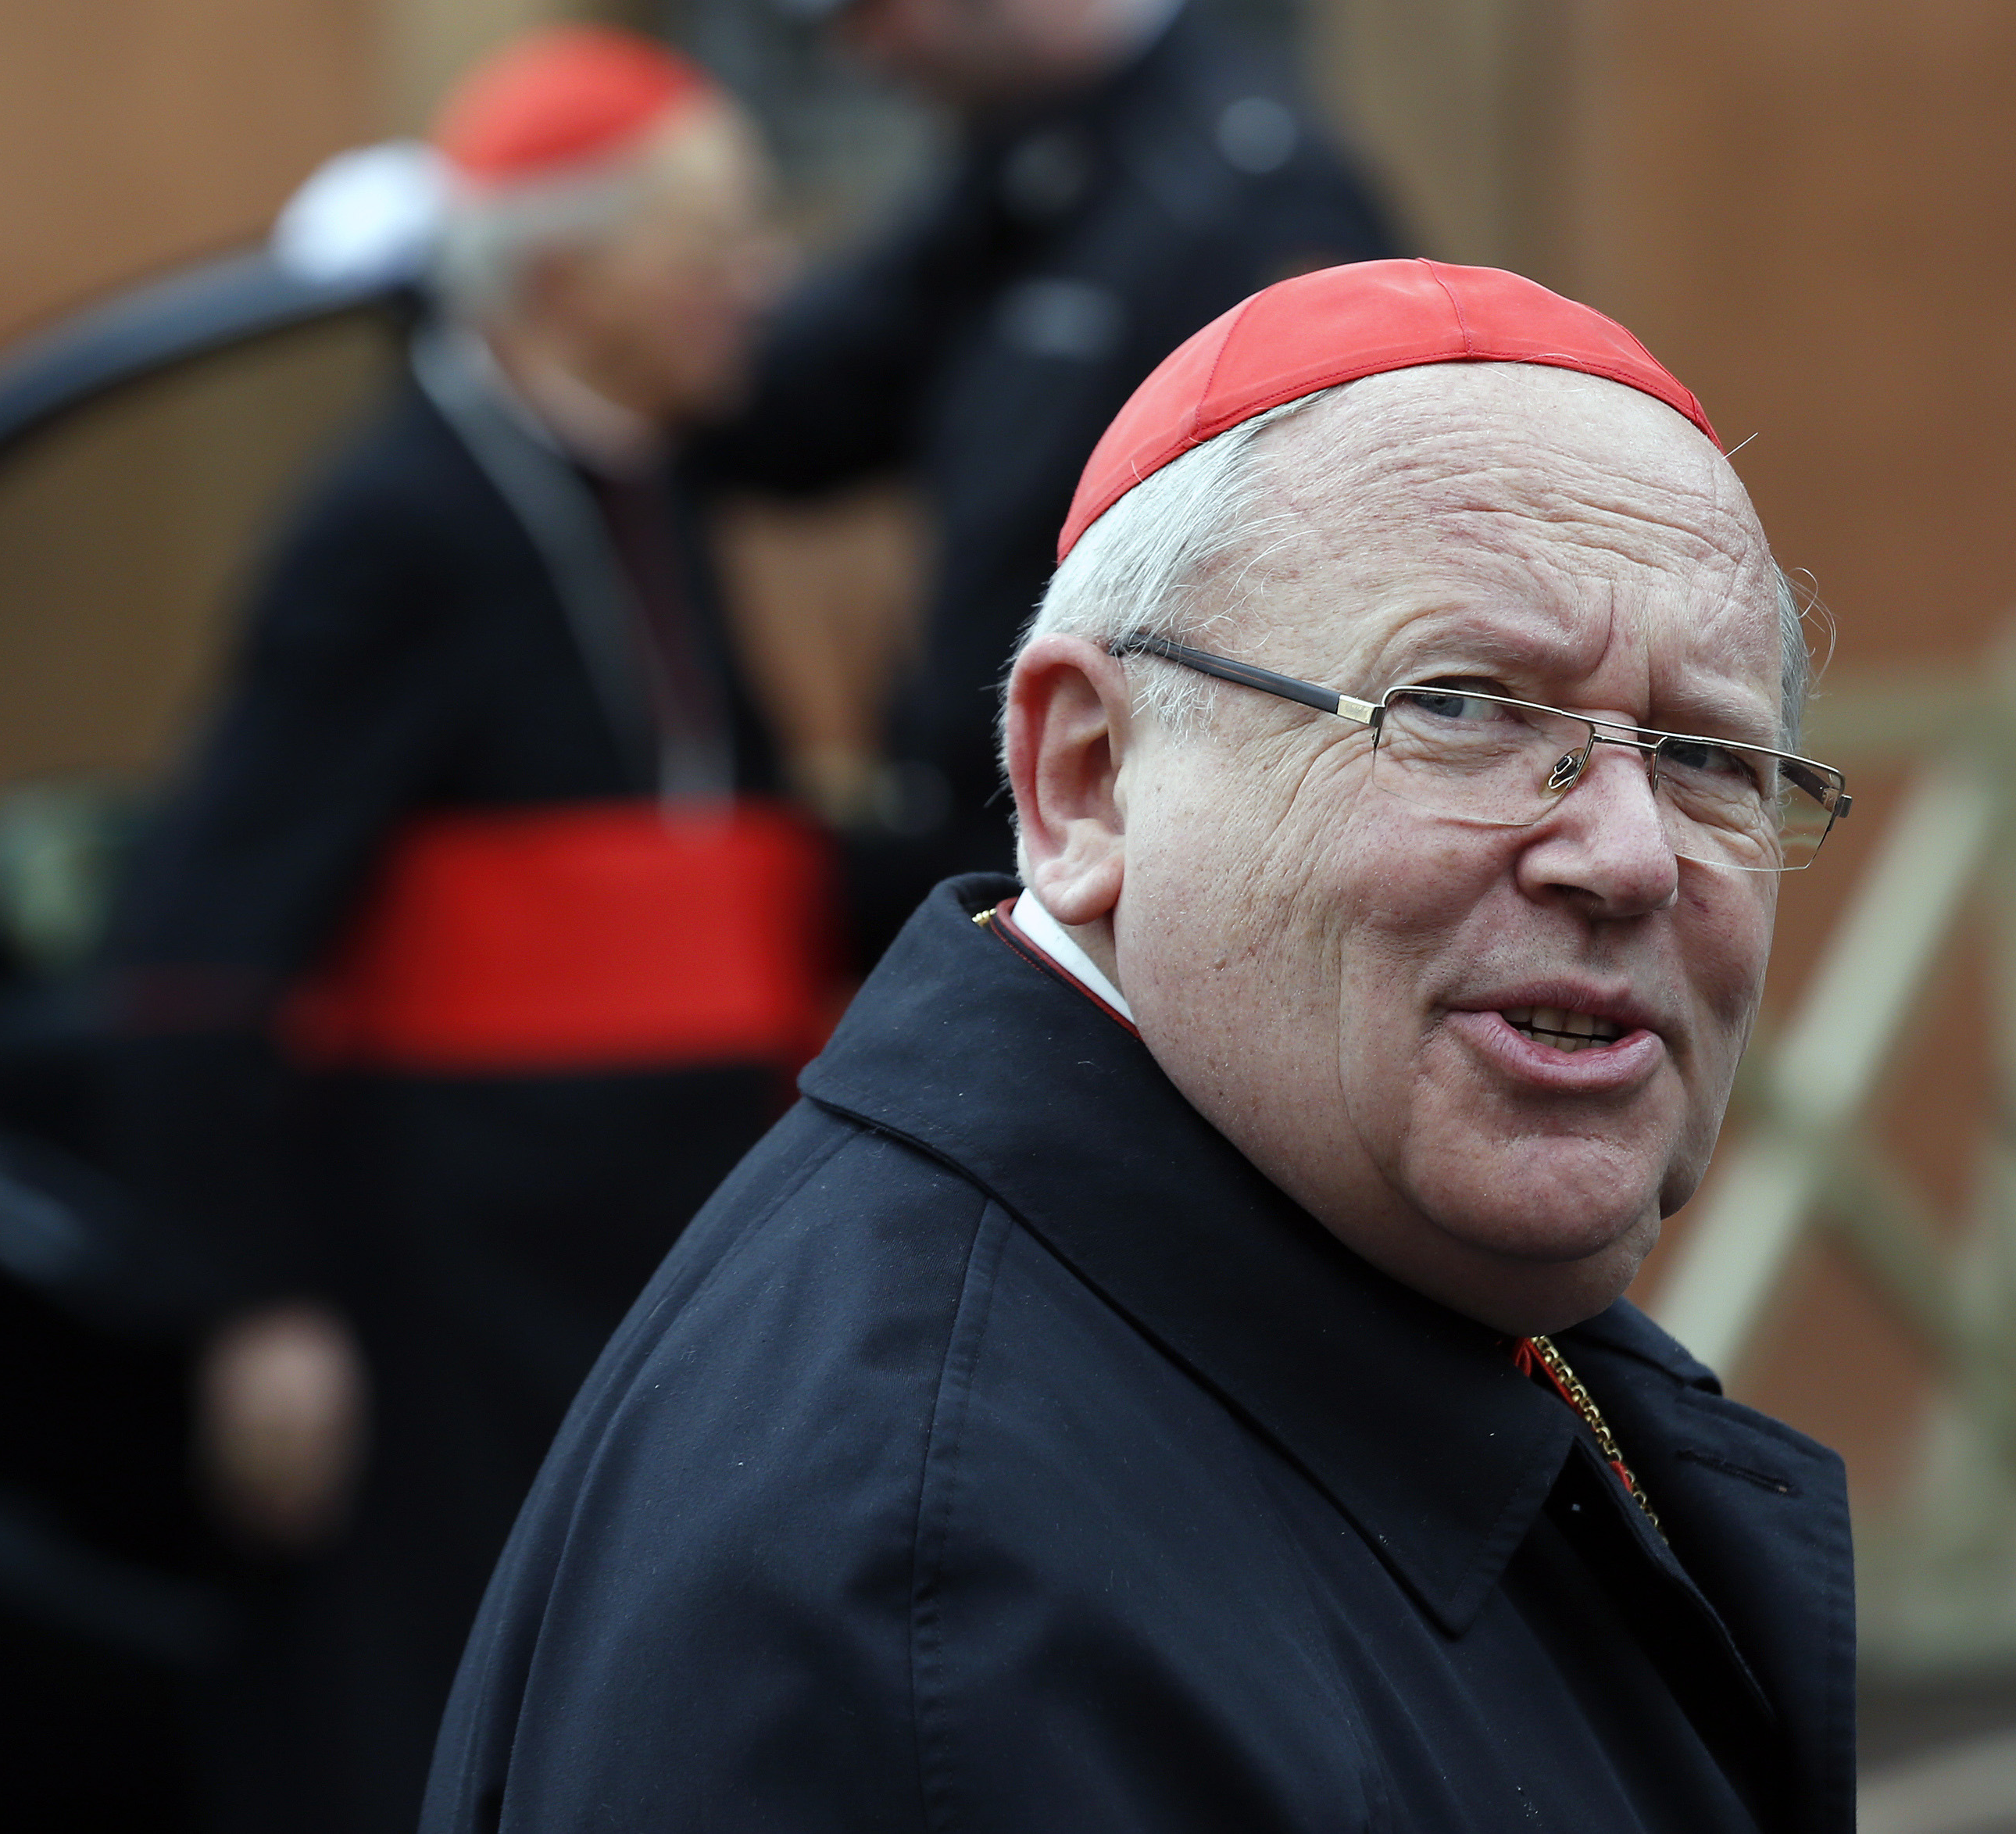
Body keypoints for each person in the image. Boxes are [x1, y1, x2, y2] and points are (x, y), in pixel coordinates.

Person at [424, 259, 1860, 1831]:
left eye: (1712, 757)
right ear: (1089, 779)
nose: (1631, 856)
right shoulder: (936, 1616)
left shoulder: (1361, 1236)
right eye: (1463, 707)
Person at [99, 28, 824, 1832]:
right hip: (448, 1274)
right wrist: (253, 1299)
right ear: (567, 277)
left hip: (638, 1231)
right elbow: (206, 931)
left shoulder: (646, 474)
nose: (765, 281)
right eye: (716, 242)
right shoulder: (391, 522)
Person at [699, 0, 1397, 957]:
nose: (863, 53)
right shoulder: (1010, 169)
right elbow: (788, 409)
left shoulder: (1245, 186)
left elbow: (1335, 554)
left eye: (873, 13)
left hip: (1146, 852)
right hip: (992, 828)